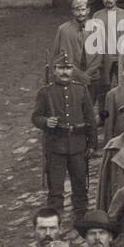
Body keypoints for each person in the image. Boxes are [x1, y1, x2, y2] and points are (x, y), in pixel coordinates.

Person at [33, 54, 97, 223]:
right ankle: (54, 222)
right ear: (54, 70)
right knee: (55, 189)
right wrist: (46, 121)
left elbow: (90, 118)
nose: (64, 72)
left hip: (78, 146)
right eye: (61, 68)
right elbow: (36, 117)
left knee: (80, 185)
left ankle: (81, 218)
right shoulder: (45, 92)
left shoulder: (81, 90)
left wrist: (92, 144)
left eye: (68, 68)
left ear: (72, 70)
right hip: (55, 147)